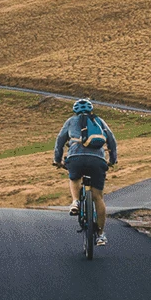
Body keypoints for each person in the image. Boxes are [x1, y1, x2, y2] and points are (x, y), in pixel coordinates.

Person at [54, 98, 117, 247]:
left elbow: (60, 141)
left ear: (75, 111)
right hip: (97, 160)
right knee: (98, 198)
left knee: (74, 178)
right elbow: (112, 141)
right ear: (91, 110)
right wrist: (112, 160)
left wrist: (57, 160)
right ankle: (101, 235)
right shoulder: (99, 121)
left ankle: (75, 201)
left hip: (76, 158)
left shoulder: (71, 121)